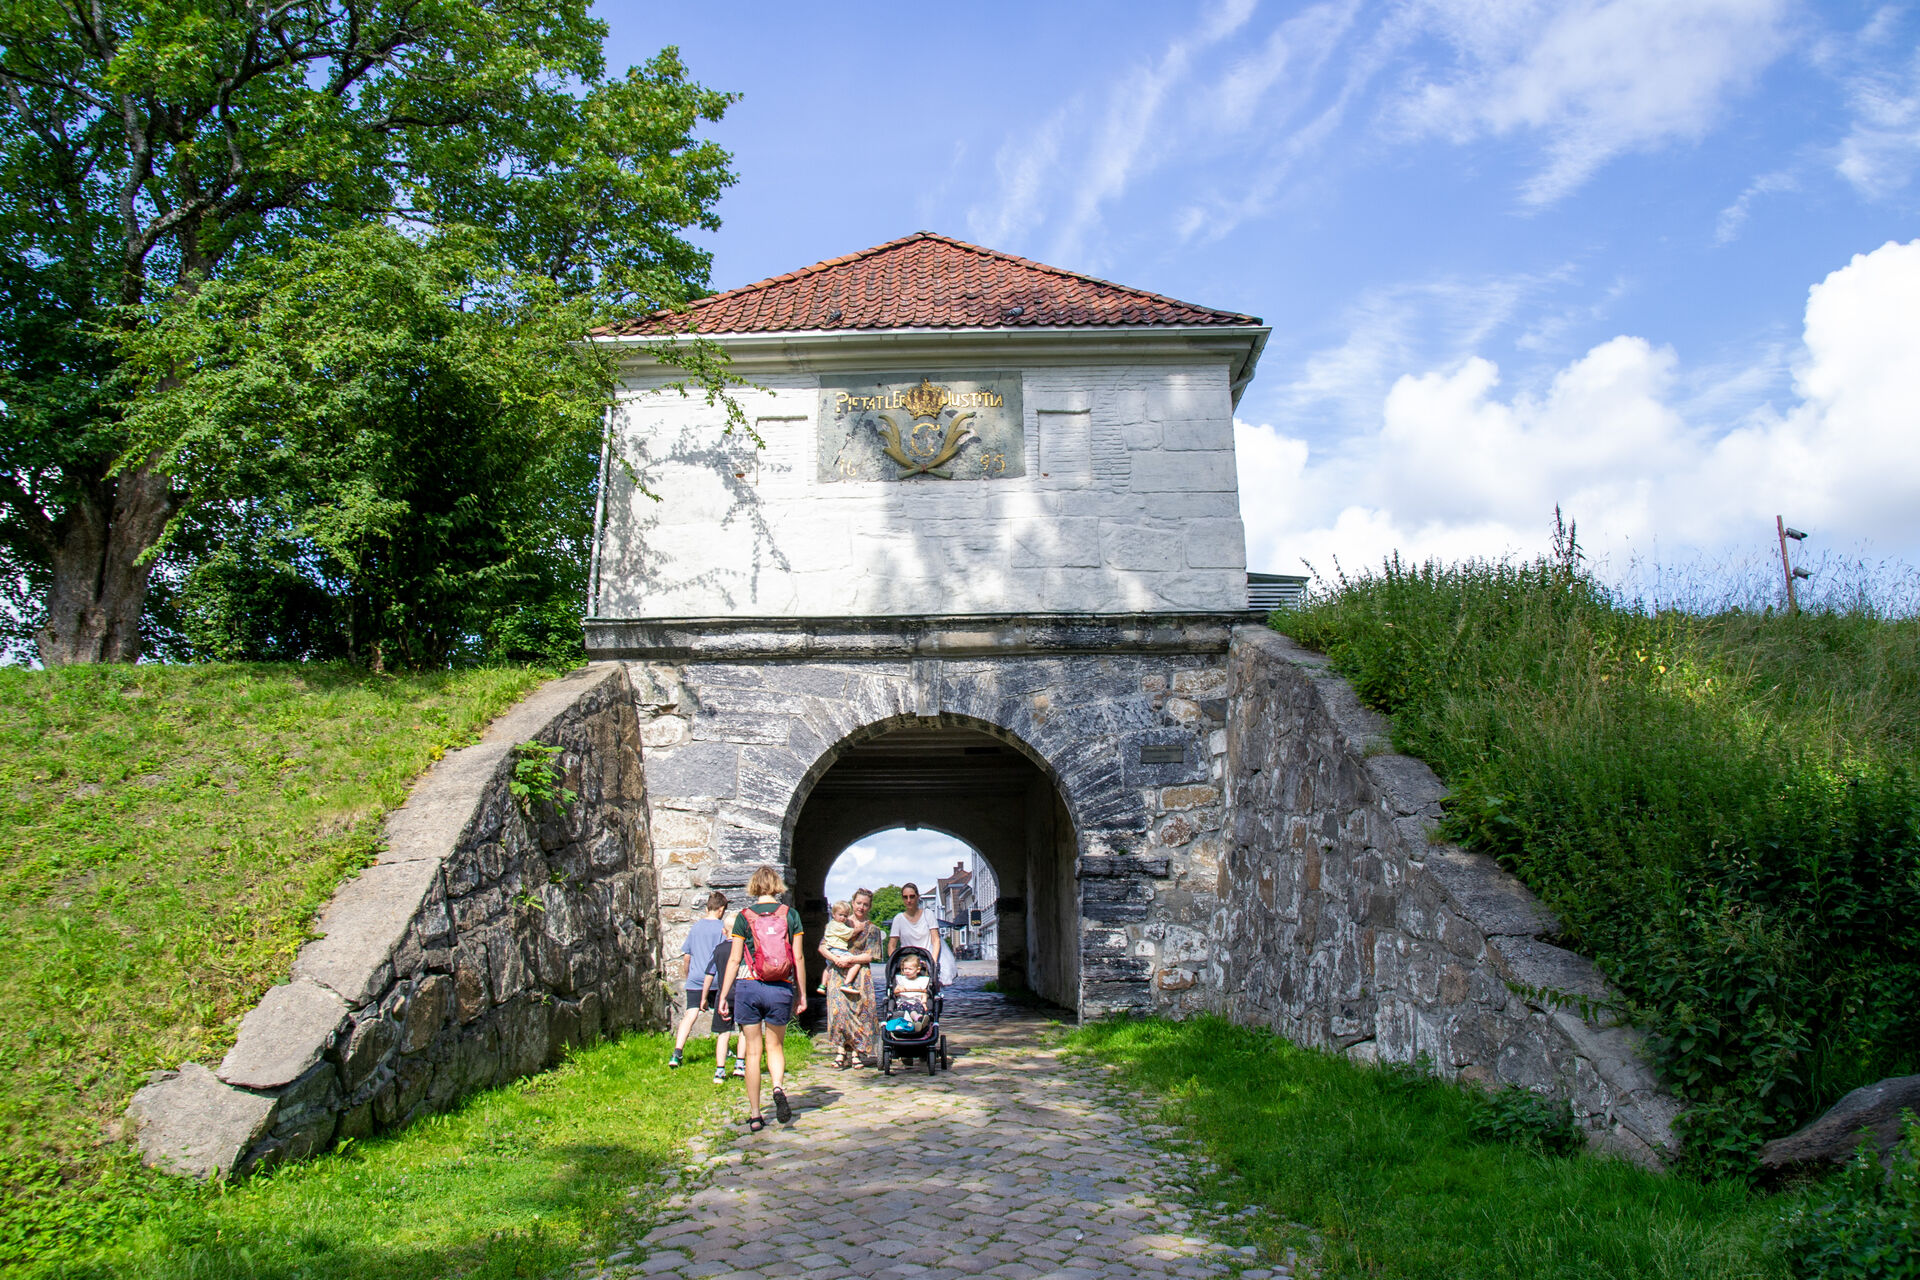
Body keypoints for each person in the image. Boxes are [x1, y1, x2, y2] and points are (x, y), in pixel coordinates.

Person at [717, 865, 807, 1132]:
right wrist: (801, 993)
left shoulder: (743, 917)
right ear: (778, 886)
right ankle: (778, 1086)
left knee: (753, 1052)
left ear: (754, 886)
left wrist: (724, 995)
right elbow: (799, 957)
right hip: (780, 988)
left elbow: (735, 959)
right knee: (775, 1047)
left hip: (749, 988)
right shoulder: (791, 915)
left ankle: (756, 1115)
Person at [820, 887, 881, 1069]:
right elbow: (823, 946)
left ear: (869, 907)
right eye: (859, 903)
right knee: (839, 1011)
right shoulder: (839, 923)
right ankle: (840, 1051)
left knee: (859, 1012)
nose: (861, 907)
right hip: (838, 972)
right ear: (853, 903)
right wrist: (836, 959)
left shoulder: (872, 929)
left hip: (860, 973)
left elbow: (872, 954)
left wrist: (852, 959)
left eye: (865, 904)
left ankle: (856, 1052)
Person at [669, 892, 730, 1069]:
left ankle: (677, 1053)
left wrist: (688, 976)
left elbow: (687, 956)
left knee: (690, 1013)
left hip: (696, 977)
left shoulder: (695, 928)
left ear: (706, 908)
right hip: (716, 978)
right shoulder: (722, 928)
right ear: (721, 910)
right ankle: (724, 1050)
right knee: (723, 1014)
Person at [886, 882, 941, 968]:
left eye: (912, 896)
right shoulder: (899, 919)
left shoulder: (928, 914)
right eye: (905, 897)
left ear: (917, 897)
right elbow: (892, 945)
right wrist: (895, 962)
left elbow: (936, 940)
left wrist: (933, 961)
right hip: (906, 962)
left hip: (926, 960)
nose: (908, 900)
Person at [885, 951, 932, 1035]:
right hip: (903, 1003)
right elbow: (895, 992)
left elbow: (924, 994)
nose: (906, 971)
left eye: (909, 969)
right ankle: (918, 1019)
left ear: (918, 970)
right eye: (904, 969)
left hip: (917, 1002)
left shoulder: (921, 981)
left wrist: (924, 1003)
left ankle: (918, 1023)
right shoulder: (901, 980)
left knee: (920, 1007)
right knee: (909, 1007)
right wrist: (899, 990)